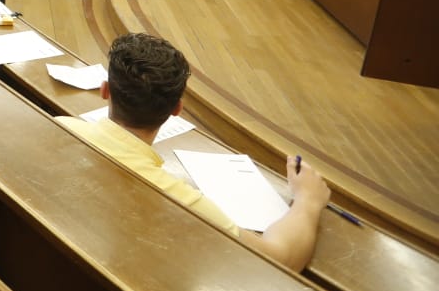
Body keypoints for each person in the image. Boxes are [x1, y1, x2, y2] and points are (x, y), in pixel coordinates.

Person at [56, 33, 330, 273]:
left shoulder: (56, 127)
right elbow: (279, 261)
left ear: (105, 91)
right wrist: (308, 200)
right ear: (177, 109)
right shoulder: (180, 201)